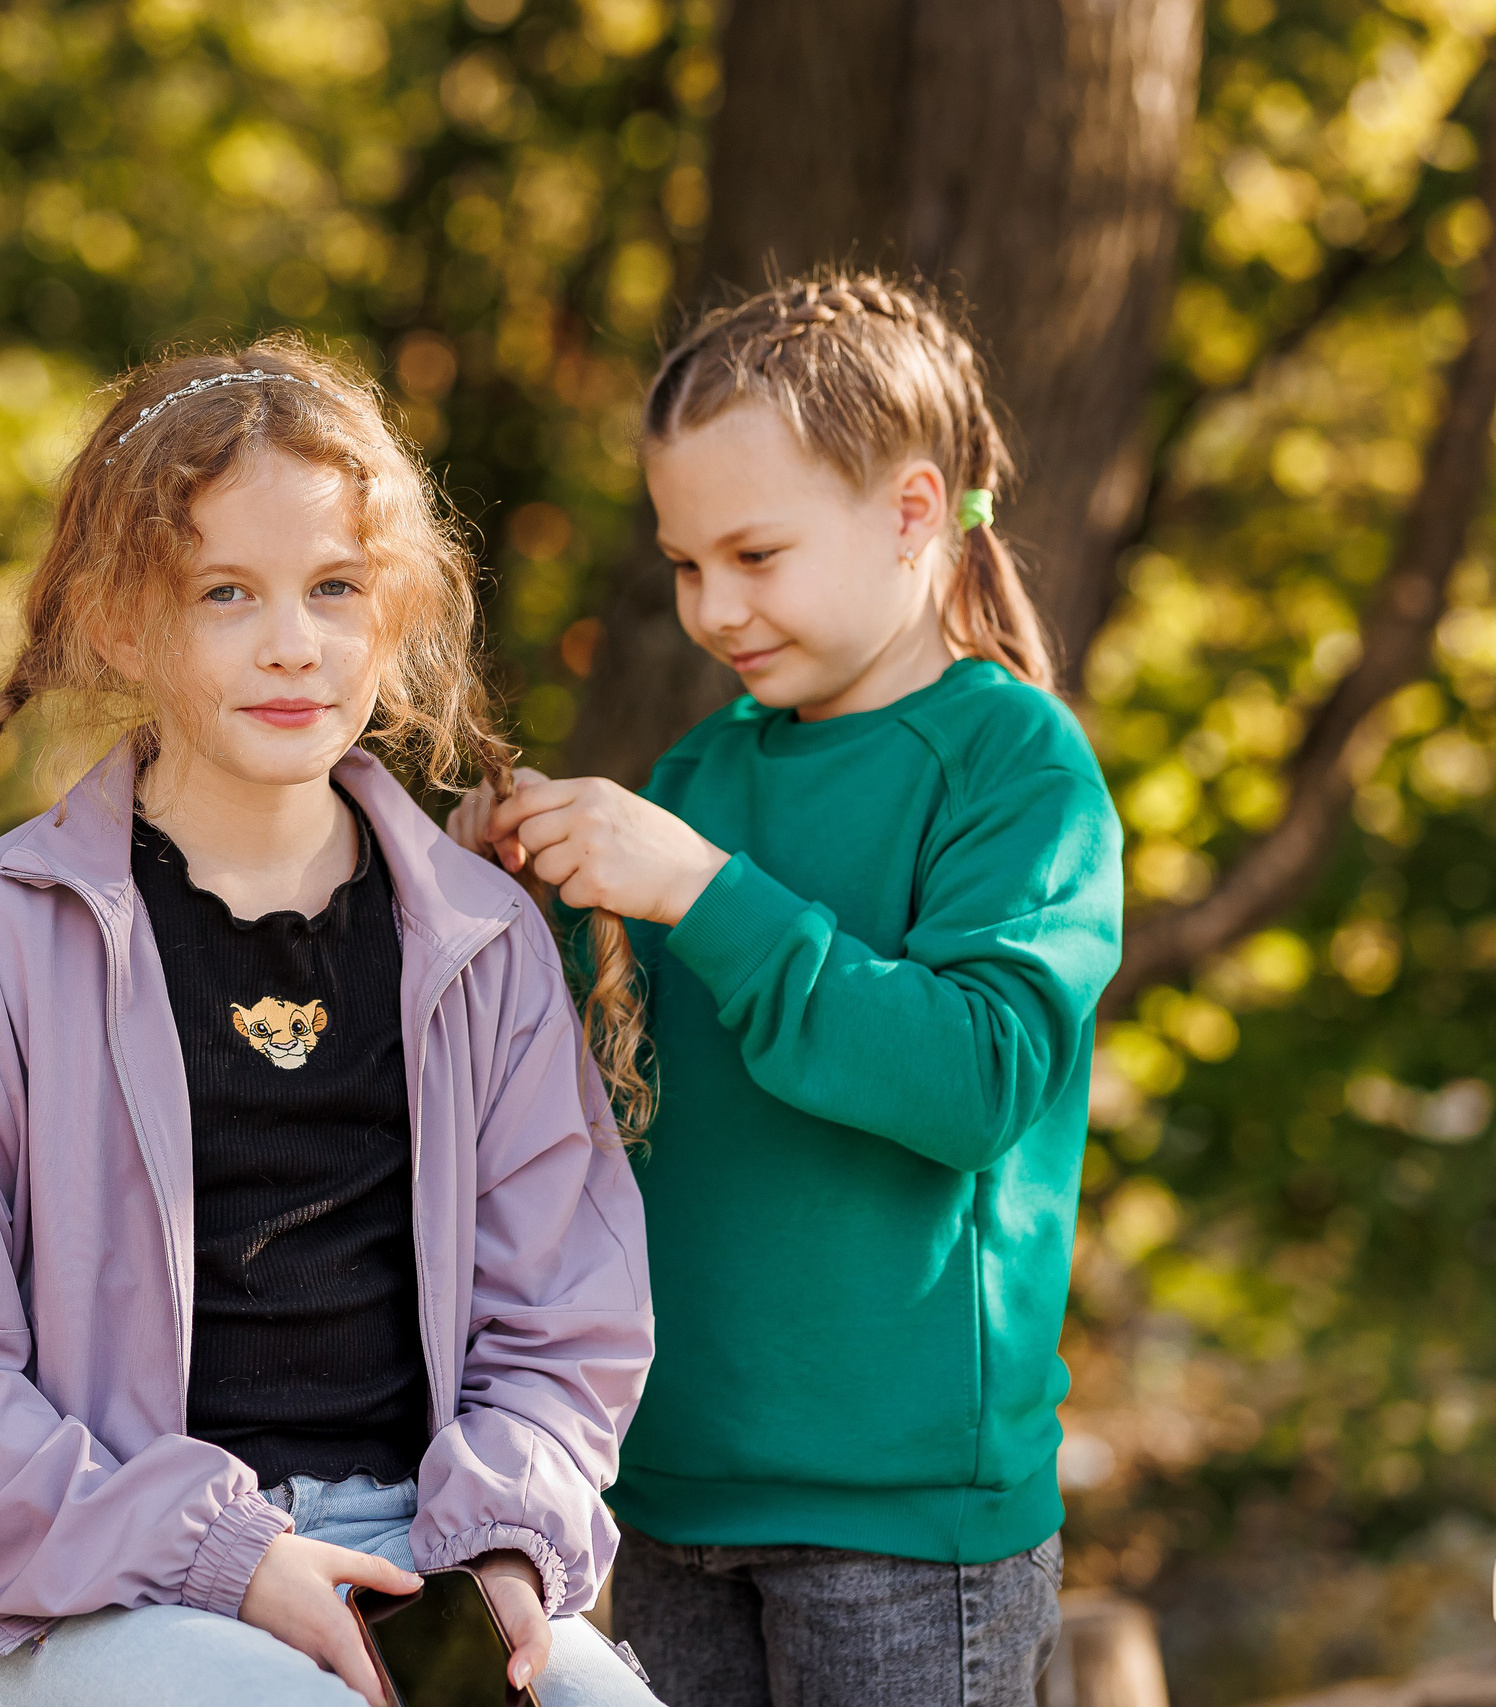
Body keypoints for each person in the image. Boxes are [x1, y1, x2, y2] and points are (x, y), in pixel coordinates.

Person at [0, 338, 664, 1707]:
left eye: (333, 588)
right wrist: (227, 1555)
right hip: (97, 1570)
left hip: (422, 1546)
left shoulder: (479, 941)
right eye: (225, 592)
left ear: (399, 610)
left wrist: (501, 1546)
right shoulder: (1, 940)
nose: (291, 640)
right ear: (126, 623)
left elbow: (562, 1324)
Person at [449, 274, 1124, 1705]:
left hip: (903, 1523)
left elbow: (975, 1080)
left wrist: (703, 888)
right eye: (687, 563)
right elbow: (605, 1070)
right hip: (674, 1489)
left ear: (913, 511)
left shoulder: (1017, 768)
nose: (714, 608)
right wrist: (513, 902)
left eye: (755, 552)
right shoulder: (706, 771)